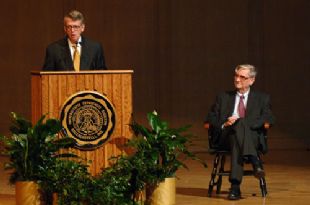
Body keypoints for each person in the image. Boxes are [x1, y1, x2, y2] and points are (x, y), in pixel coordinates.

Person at [206, 64, 275, 200]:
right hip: (225, 136)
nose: (237, 80)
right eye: (236, 76)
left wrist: (244, 124)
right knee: (235, 131)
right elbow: (210, 118)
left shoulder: (262, 98)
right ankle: (255, 161)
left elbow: (269, 117)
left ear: (251, 80)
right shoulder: (223, 97)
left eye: (242, 77)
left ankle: (235, 187)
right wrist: (225, 123)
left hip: (250, 137)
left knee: (239, 129)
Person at [42, 10, 107, 71]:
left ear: (82, 28)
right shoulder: (53, 50)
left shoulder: (95, 48)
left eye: (76, 27)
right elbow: (46, 77)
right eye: (69, 27)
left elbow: (102, 75)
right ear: (65, 29)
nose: (72, 30)